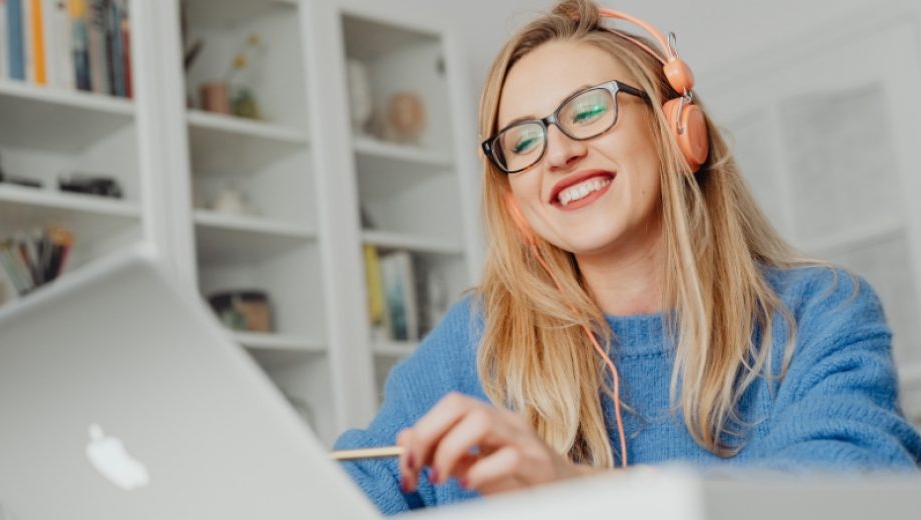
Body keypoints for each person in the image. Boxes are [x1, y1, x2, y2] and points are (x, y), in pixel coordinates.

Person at [333, 0, 921, 515]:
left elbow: (852, 493)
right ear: (517, 204)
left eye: (588, 110)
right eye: (523, 142)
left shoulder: (820, 314)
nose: (558, 153)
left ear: (678, 130)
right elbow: (339, 494)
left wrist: (577, 491)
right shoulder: (474, 345)